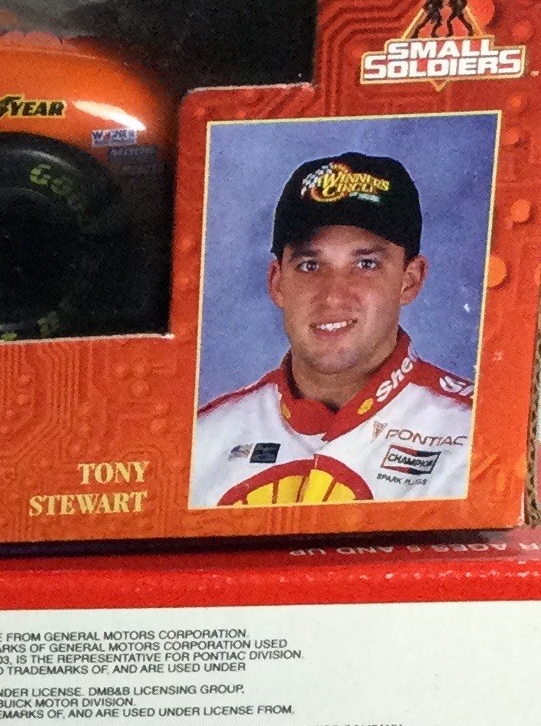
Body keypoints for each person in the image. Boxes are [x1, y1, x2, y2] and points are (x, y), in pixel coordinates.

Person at [189, 150, 473, 506]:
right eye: (310, 265)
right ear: (277, 282)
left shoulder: (474, 436)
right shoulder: (201, 440)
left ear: (409, 280)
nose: (333, 295)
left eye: (366, 264)